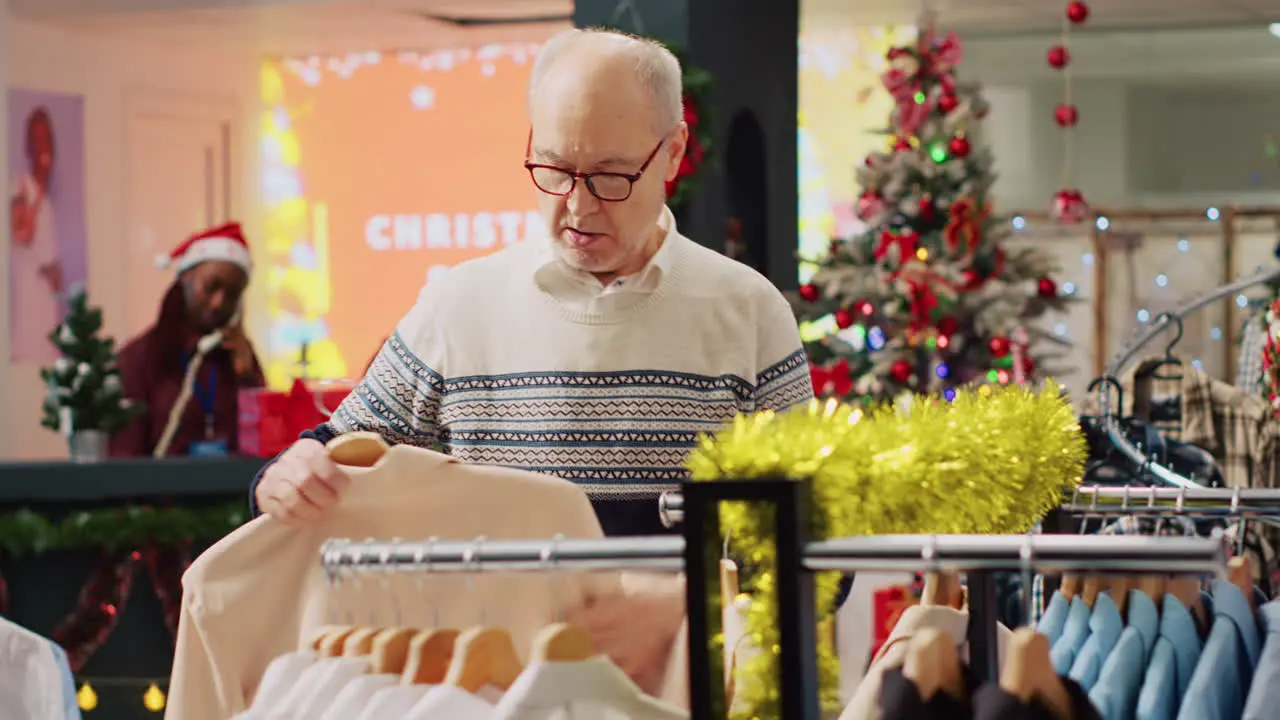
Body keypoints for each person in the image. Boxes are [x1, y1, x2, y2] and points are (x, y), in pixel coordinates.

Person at [249, 29, 814, 690]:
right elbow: (334, 451)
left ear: (673, 154)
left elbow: (815, 544)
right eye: (553, 168)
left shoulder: (747, 312)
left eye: (609, 176)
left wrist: (687, 604)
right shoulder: (459, 304)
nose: (576, 205)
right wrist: (284, 475)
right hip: (485, 692)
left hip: (680, 696)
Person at [110, 222, 265, 458]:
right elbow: (123, 456)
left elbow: (265, 448)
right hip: (159, 493)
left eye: (232, 295)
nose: (218, 303)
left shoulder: (239, 355)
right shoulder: (138, 358)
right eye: (210, 287)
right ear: (185, 278)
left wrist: (247, 379)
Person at [8, 107, 64, 363]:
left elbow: (53, 270)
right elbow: (21, 233)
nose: (43, 146)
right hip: (28, 316)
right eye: (37, 139)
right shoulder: (19, 186)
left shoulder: (49, 203)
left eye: (47, 139)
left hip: (47, 316)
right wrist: (39, 188)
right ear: (28, 147)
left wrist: (54, 274)